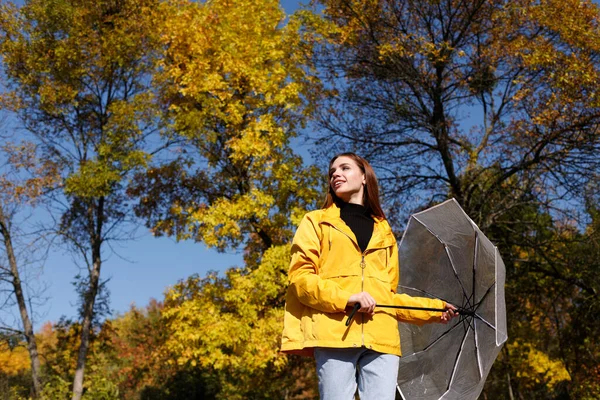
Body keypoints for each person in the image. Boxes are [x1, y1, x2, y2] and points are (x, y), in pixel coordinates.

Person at [281, 152, 458, 400]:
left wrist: (435, 309)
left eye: (344, 168)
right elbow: (301, 279)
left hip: (382, 337)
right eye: (332, 172)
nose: (336, 175)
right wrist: (346, 298)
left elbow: (390, 295)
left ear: (364, 177)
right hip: (334, 332)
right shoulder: (315, 222)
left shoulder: (384, 231)